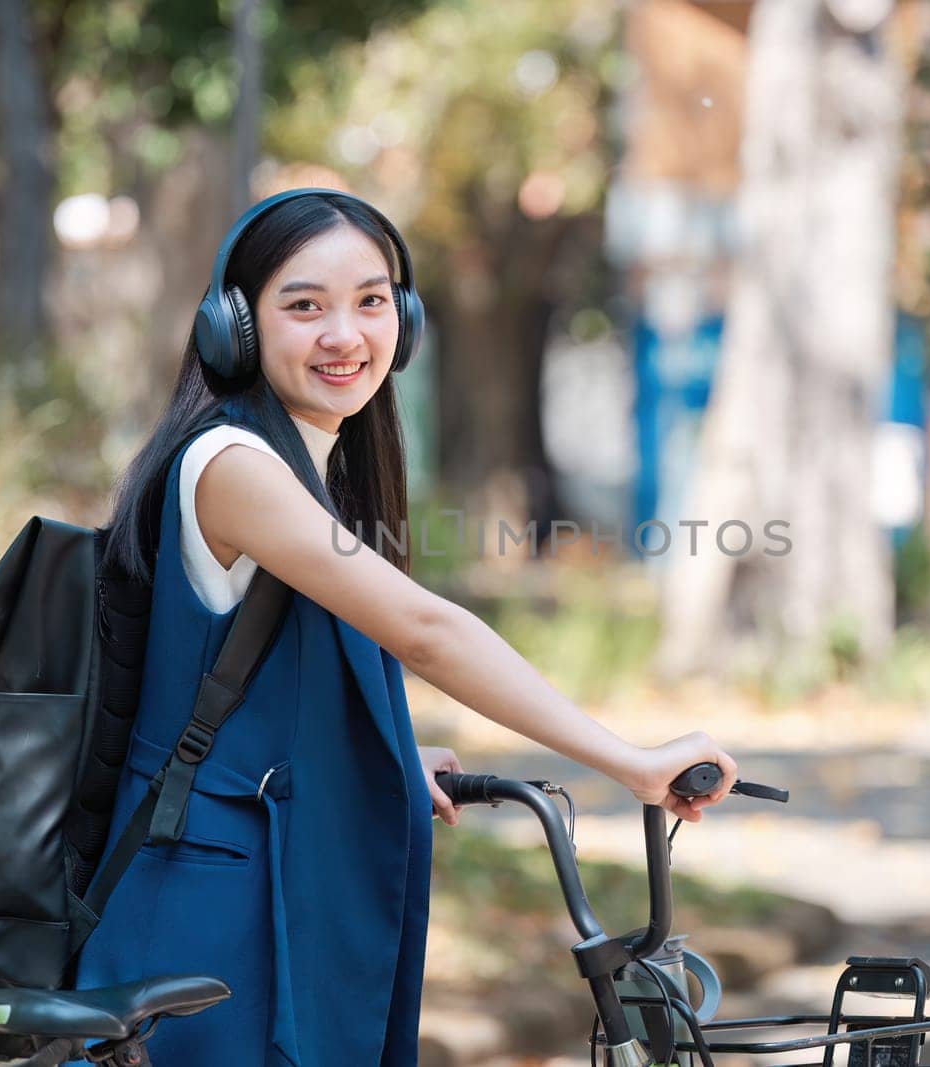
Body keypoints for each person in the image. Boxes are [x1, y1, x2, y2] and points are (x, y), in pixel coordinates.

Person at [67, 189, 739, 1067]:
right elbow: (425, 630)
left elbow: (261, 676)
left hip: (265, 892)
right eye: (304, 305)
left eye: (372, 301)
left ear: (405, 320)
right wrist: (629, 760)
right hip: (206, 924)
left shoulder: (308, 466)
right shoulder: (231, 463)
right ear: (234, 326)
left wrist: (374, 746)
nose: (345, 334)